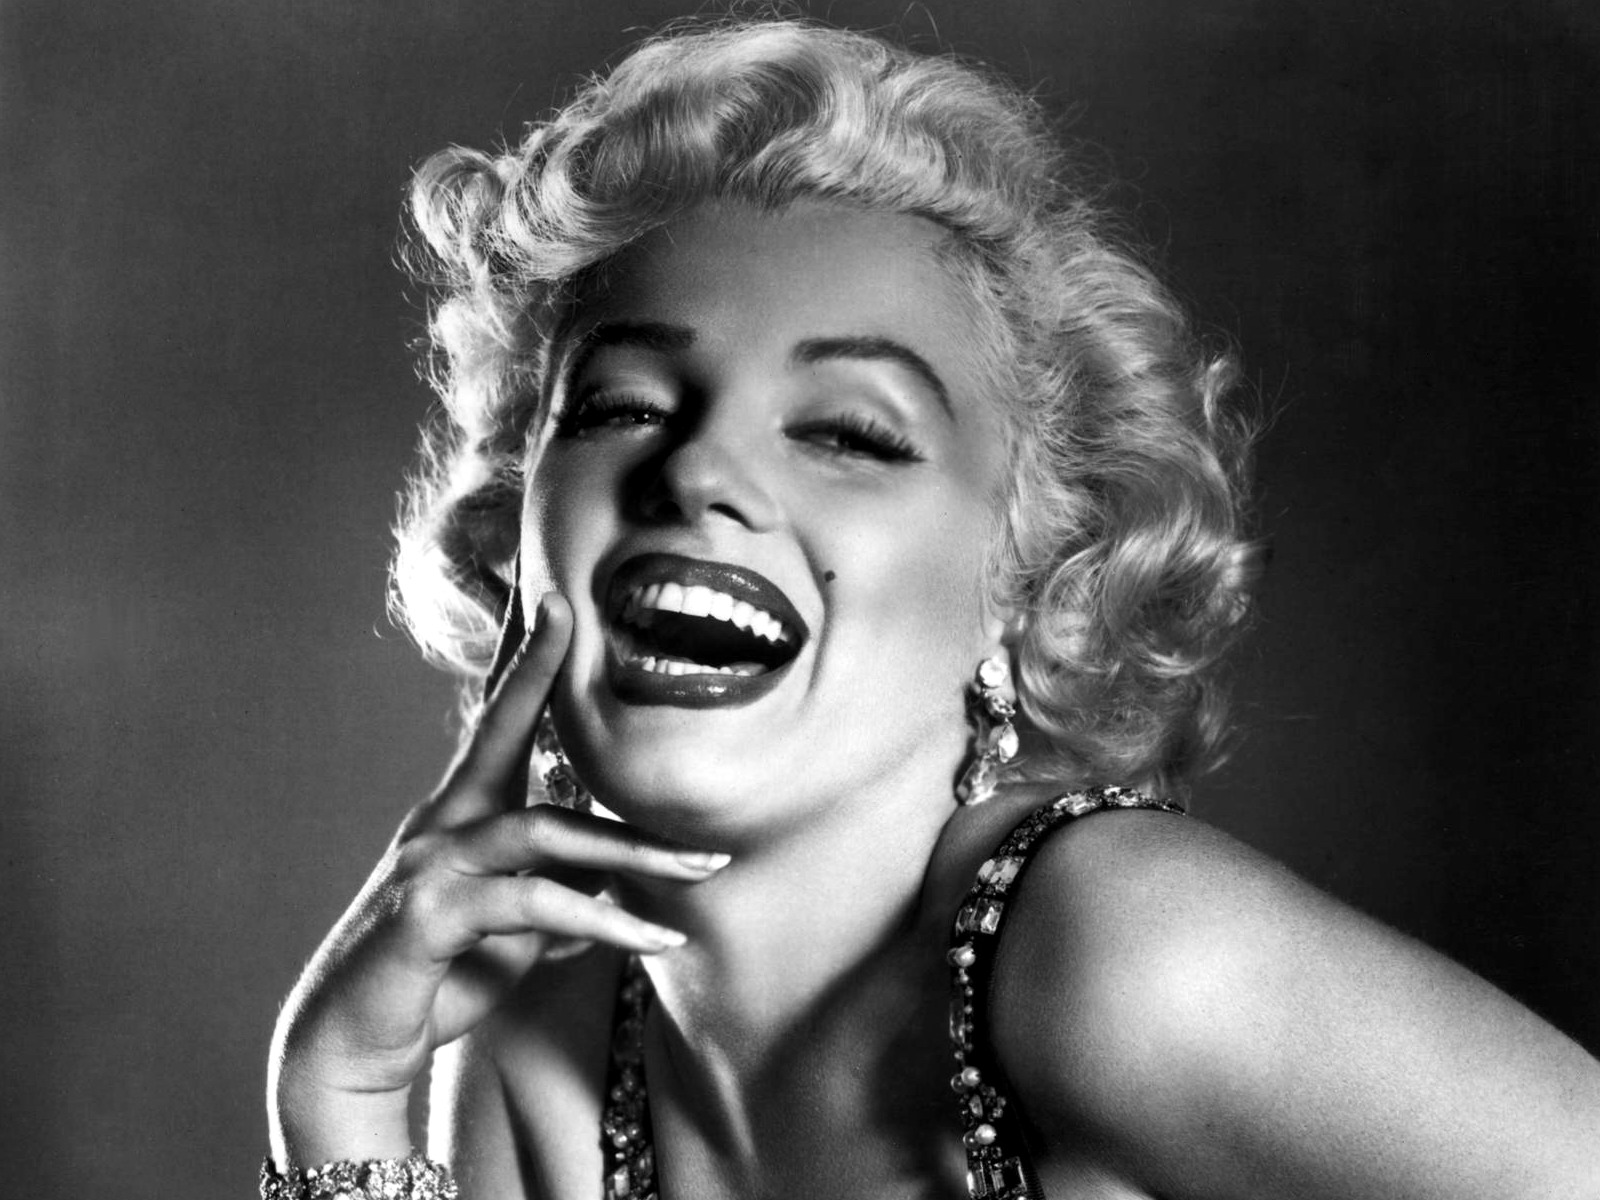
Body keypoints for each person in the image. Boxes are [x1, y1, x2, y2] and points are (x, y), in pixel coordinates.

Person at [263, 18, 1600, 1200]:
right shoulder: (534, 1047)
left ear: (1038, 586)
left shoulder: (1125, 955)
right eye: (619, 407)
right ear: (518, 527)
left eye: (849, 432)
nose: (699, 472)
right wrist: (338, 1098)